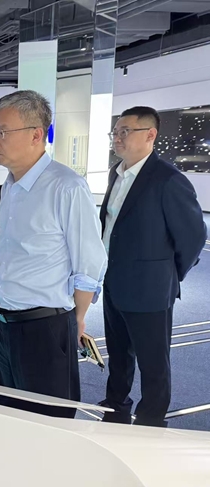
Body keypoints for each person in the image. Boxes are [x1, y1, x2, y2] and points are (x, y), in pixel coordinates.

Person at [0, 90, 107, 418]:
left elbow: (89, 263)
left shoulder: (66, 186)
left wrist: (76, 319)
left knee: (48, 424)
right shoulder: (10, 185)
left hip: (44, 328)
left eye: (2, 132)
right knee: (5, 417)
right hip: (2, 325)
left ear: (36, 134)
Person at [100, 106, 206, 427]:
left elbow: (193, 236)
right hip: (114, 282)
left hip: (150, 290)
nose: (117, 138)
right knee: (118, 354)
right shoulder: (116, 173)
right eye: (115, 132)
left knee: (153, 363)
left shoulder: (168, 179)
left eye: (125, 132)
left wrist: (168, 275)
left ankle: (151, 421)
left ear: (150, 135)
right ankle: (116, 405)